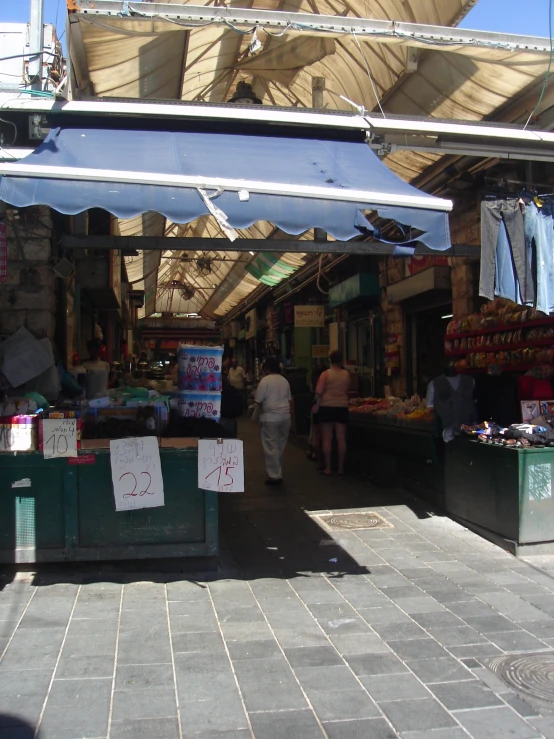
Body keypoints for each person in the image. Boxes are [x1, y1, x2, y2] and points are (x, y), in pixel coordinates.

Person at [254, 357, 292, 485]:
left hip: (270, 417)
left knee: (271, 447)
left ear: (267, 368)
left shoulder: (265, 381)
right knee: (280, 445)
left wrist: (255, 417)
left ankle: (274, 476)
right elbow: (290, 400)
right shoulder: (284, 381)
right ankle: (277, 470)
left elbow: (258, 401)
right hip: (285, 417)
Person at [314, 350, 351, 476]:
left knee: (327, 438)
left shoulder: (325, 374)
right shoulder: (346, 374)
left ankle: (328, 468)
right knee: (341, 438)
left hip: (327, 406)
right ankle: (341, 468)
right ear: (341, 361)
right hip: (342, 406)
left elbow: (319, 390)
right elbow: (347, 389)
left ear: (330, 360)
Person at [307, 363, 326, 467]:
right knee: (323, 435)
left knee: (314, 433)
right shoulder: (325, 380)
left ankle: (314, 453)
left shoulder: (313, 382)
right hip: (324, 407)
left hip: (315, 408)